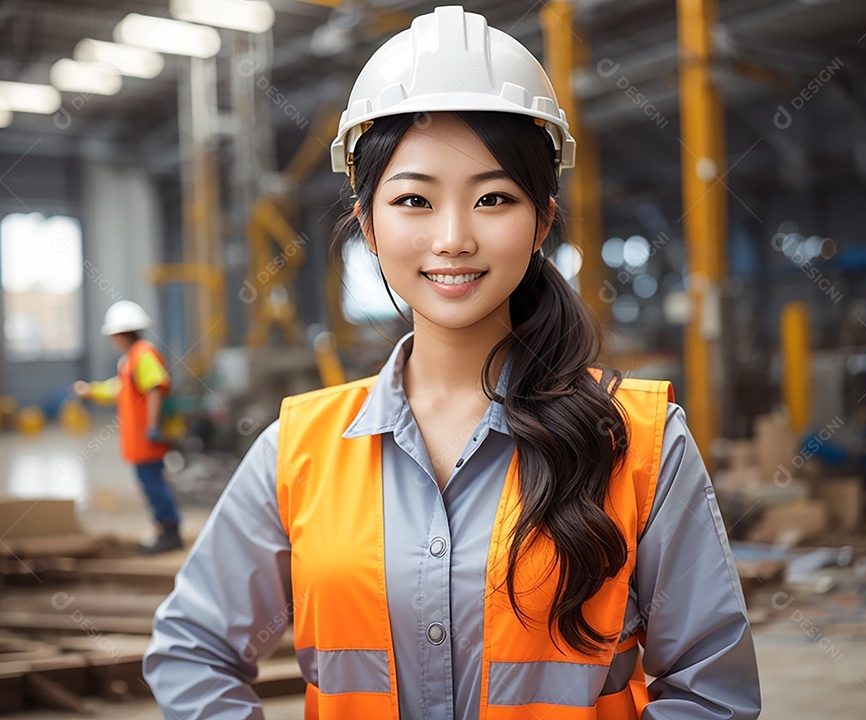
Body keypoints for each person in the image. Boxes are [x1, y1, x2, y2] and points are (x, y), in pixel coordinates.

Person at [144, 6, 760, 718]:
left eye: (493, 198)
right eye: (414, 199)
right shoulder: (298, 451)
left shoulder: (640, 443)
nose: (453, 238)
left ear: (542, 220)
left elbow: (712, 693)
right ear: (369, 224)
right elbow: (191, 651)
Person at [74, 300, 182, 554]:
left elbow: (155, 388)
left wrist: (152, 426)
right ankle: (164, 530)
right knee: (150, 484)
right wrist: (91, 391)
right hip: (139, 439)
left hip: (147, 438)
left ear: (120, 334)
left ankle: (170, 532)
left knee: (154, 484)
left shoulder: (143, 355)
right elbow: (118, 389)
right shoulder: (130, 360)